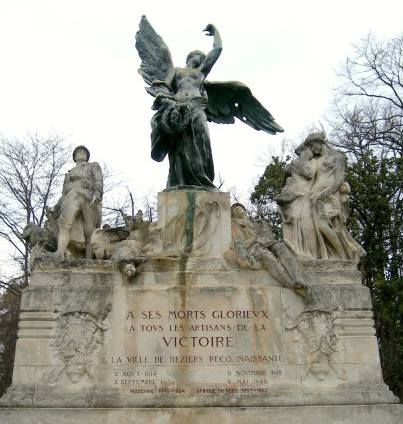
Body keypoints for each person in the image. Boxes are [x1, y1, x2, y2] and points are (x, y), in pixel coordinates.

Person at [150, 24, 222, 189]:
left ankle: (202, 178)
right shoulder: (177, 71)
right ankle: (179, 180)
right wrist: (163, 97)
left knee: (201, 142)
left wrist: (215, 33)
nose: (203, 59)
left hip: (197, 109)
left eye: (204, 58)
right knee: (178, 148)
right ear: (191, 57)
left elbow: (217, 50)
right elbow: (165, 86)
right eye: (200, 56)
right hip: (178, 110)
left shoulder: (201, 73)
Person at [53, 146, 103, 259]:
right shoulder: (69, 173)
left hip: (88, 196)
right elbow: (64, 193)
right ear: (74, 157)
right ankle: (60, 253)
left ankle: (89, 259)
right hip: (71, 196)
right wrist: (57, 206)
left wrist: (97, 193)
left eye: (84, 152)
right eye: (78, 152)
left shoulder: (93, 166)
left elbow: (98, 180)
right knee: (64, 224)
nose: (81, 153)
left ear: (87, 156)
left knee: (89, 230)